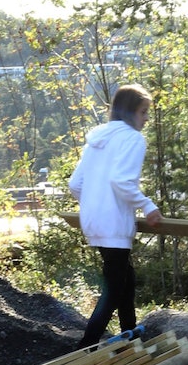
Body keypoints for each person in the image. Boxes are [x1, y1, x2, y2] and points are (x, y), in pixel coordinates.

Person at [68, 83, 163, 349]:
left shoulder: (99, 139)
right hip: (113, 224)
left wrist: (94, 205)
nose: (145, 119)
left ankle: (129, 335)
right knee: (113, 289)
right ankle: (86, 345)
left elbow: (76, 184)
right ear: (130, 112)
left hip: (93, 222)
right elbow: (122, 181)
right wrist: (147, 205)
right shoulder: (132, 139)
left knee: (125, 279)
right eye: (144, 112)